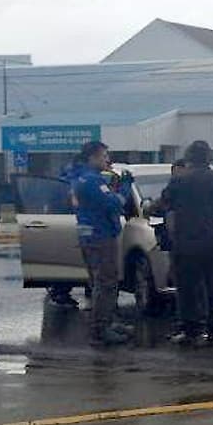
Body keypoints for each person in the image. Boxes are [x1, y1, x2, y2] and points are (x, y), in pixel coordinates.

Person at [154, 141, 213, 346]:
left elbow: (163, 205)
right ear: (209, 158)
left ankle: (191, 331)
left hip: (186, 245)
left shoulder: (179, 181)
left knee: (187, 289)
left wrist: (149, 208)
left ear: (189, 159)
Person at [72, 141, 134, 345]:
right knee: (106, 282)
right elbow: (113, 204)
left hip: (92, 236)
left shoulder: (83, 178)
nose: (107, 160)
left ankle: (107, 321)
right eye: (104, 156)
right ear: (92, 157)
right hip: (100, 236)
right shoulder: (91, 180)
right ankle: (100, 329)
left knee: (99, 282)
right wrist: (125, 188)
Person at [47, 155, 91, 308]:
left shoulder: (61, 180)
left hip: (61, 224)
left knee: (65, 259)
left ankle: (60, 290)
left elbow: (51, 204)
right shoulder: (88, 178)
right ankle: (87, 288)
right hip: (85, 224)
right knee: (90, 259)